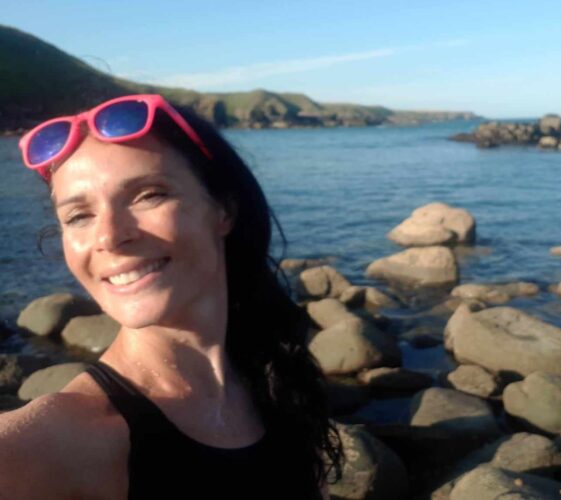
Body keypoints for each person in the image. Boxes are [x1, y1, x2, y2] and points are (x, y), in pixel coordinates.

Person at [0, 94, 344, 498]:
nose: (109, 236)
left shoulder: (278, 385)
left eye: (149, 195)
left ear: (224, 210)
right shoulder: (56, 442)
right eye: (79, 216)